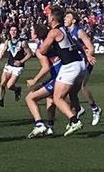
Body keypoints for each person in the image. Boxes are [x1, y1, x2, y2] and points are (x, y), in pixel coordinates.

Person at [26, 8, 90, 138]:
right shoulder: (65, 29)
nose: (48, 17)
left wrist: (41, 49)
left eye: (49, 15)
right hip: (80, 64)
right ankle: (56, 123)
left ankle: (74, 120)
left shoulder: (54, 32)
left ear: (52, 18)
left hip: (70, 66)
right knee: (60, 96)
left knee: (57, 98)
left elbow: (43, 51)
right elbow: (77, 43)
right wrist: (86, 55)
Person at [64, 9, 102, 125]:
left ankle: (95, 109)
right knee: (71, 90)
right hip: (75, 62)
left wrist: (88, 57)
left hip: (85, 61)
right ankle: (77, 112)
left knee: (81, 86)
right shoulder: (66, 32)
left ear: (74, 20)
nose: (65, 19)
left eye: (68, 17)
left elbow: (91, 48)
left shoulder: (79, 31)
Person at [0, 24, 29, 107]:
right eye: (12, 30)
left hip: (18, 67)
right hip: (9, 65)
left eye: (15, 30)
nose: (13, 32)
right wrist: (1, 55)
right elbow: (4, 49)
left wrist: (21, 61)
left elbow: (30, 54)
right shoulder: (8, 41)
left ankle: (17, 89)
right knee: (2, 83)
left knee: (9, 85)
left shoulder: (22, 42)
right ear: (9, 32)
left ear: (17, 31)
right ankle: (1, 101)